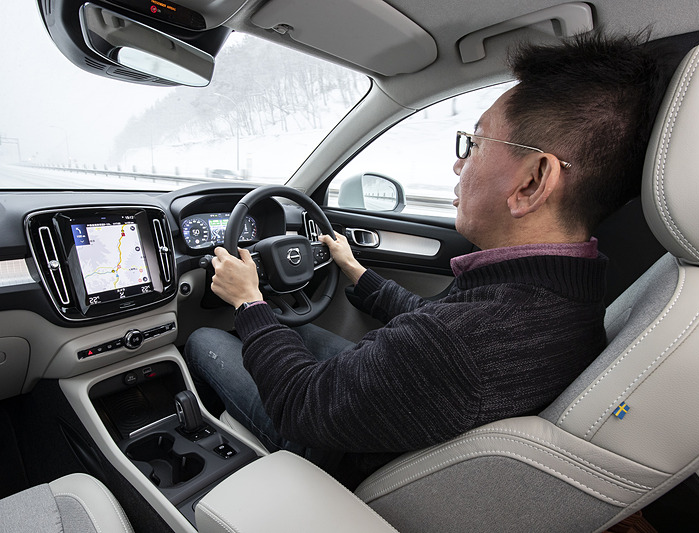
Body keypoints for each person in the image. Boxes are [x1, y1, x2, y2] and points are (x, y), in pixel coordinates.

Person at [184, 32, 671, 488]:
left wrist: (249, 301)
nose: (459, 163)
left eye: (475, 144)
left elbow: (304, 405)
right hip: (394, 409)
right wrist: (355, 271)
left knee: (207, 336)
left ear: (532, 182)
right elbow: (434, 328)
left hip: (330, 445)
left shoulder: (465, 340)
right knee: (291, 333)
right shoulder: (566, 292)